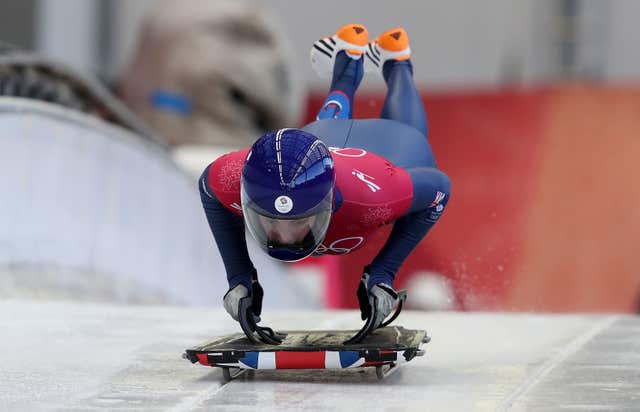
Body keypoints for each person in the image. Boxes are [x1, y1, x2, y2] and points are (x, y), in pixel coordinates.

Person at [199, 24, 451, 338]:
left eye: (298, 222)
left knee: (411, 139)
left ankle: (396, 61)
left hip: (387, 152)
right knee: (326, 125)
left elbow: (439, 188)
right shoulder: (233, 176)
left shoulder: (377, 195)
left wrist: (384, 272)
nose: (286, 235)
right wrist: (239, 277)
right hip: (323, 139)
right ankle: (354, 56)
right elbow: (207, 187)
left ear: (327, 205)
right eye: (273, 222)